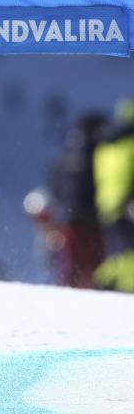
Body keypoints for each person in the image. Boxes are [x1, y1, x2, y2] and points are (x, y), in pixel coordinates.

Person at [46, 113, 106, 287]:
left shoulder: (65, 152)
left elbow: (54, 185)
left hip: (68, 219)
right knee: (94, 269)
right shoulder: (98, 153)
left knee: (71, 268)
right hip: (93, 220)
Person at [92, 98, 134, 292]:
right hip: (128, 204)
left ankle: (105, 280)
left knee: (117, 253)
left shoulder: (105, 145)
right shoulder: (130, 145)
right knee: (129, 252)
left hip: (107, 205)